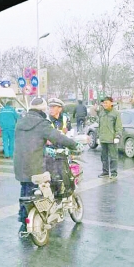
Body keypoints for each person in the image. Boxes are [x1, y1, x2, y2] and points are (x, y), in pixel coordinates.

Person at [14, 97, 81, 231]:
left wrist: (43, 144)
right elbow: (58, 137)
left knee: (26, 190)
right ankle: (43, 216)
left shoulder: (20, 122)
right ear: (43, 109)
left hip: (20, 164)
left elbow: (28, 141)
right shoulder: (41, 123)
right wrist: (74, 145)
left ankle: (23, 217)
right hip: (36, 164)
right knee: (43, 189)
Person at [46, 98, 73, 195]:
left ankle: (67, 191)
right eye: (50, 107)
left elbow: (70, 132)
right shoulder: (46, 120)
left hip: (64, 150)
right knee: (53, 175)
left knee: (66, 173)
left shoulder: (65, 118)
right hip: (50, 151)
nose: (51, 109)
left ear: (60, 109)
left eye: (54, 107)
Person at [97, 96, 122, 179]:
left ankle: (114, 172)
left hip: (112, 139)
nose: (104, 104)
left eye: (106, 102)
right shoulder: (101, 113)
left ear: (111, 103)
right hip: (103, 138)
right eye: (103, 103)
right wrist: (98, 136)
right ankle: (105, 172)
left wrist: (117, 136)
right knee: (103, 156)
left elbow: (118, 127)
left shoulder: (116, 113)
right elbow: (99, 126)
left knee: (113, 157)